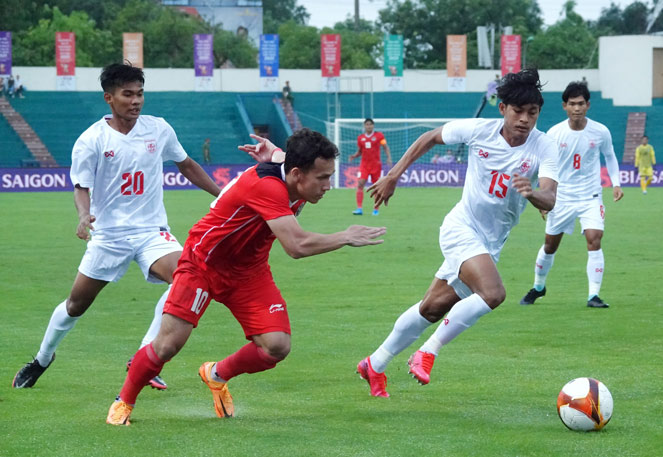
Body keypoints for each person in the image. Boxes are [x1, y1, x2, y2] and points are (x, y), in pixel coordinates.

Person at [106, 129, 386, 425]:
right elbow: (296, 246)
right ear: (296, 174)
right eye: (323, 178)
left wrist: (275, 149)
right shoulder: (267, 187)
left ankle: (216, 375)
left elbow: (280, 157)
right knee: (166, 346)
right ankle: (124, 401)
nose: (328, 185)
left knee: (276, 346)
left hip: (248, 272)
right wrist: (345, 236)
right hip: (203, 265)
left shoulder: (291, 173)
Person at [12, 62, 221, 391]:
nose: (136, 101)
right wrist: (84, 216)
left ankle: (144, 358)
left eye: (140, 93)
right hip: (109, 236)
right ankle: (43, 357)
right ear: (109, 98)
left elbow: (187, 165)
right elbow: (81, 186)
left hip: (152, 231)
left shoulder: (158, 129)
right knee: (75, 305)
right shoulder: (91, 140)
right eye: (128, 94)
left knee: (187, 277)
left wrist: (223, 195)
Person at [356, 68, 558, 397]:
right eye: (517, 111)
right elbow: (430, 137)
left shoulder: (545, 146)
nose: (524, 119)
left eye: (532, 113)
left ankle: (374, 364)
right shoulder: (479, 130)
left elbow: (550, 196)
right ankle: (427, 352)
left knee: (432, 307)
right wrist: (393, 175)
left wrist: (533, 193)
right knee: (493, 293)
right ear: (502, 108)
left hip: (490, 243)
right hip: (460, 228)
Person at [519, 81, 623, 309]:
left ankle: (593, 295)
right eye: (573, 104)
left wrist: (616, 183)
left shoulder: (600, 131)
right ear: (564, 106)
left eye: (581, 103)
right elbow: (544, 165)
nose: (577, 108)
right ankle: (538, 287)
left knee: (594, 239)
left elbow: (610, 156)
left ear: (588, 105)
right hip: (562, 197)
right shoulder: (555, 134)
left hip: (590, 197)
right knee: (550, 245)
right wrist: (542, 198)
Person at [348, 118, 392, 216]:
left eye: (370, 124)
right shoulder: (360, 138)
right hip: (364, 165)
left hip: (376, 165)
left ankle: (376, 209)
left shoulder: (379, 136)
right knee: (360, 184)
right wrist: (354, 156)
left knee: (376, 187)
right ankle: (359, 208)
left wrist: (389, 158)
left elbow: (385, 147)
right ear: (364, 126)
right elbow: (360, 151)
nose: (369, 126)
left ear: (373, 126)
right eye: (367, 124)